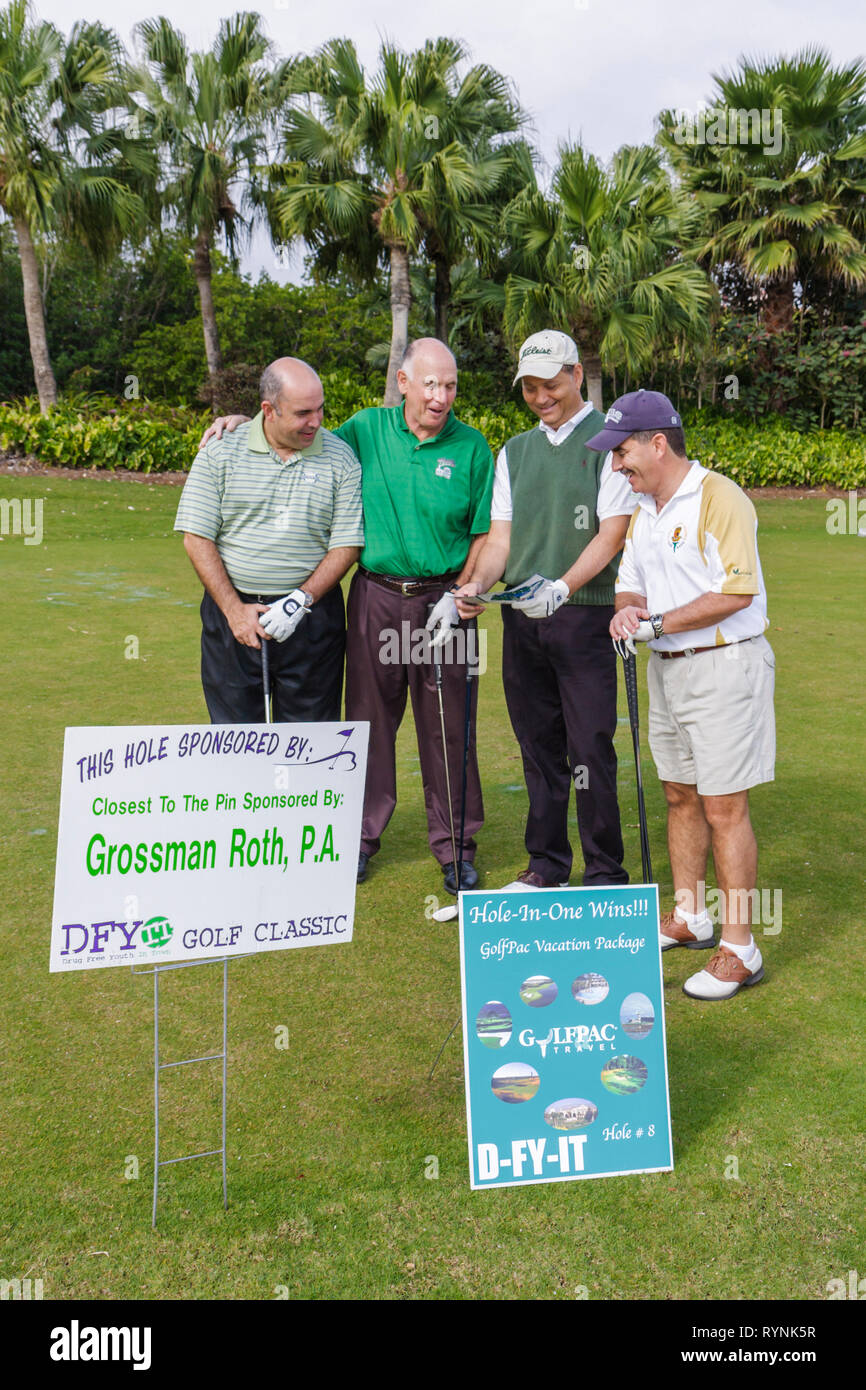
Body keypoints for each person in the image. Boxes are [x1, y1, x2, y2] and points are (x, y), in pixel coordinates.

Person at [199, 339, 494, 896]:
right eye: (430, 384)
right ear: (403, 382)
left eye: (451, 385)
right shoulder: (364, 429)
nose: (441, 397)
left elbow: (483, 533)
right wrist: (243, 422)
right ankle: (356, 840)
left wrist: (463, 593)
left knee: (449, 727)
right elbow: (297, 431)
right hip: (377, 596)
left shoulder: (473, 447)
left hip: (445, 604)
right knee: (366, 725)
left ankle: (455, 849)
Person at [597, 389, 775, 1001]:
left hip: (724, 667)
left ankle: (740, 948)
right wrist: (627, 617)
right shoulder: (644, 509)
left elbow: (737, 592)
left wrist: (659, 624)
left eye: (622, 452)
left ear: (656, 443)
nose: (617, 466)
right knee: (679, 795)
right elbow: (629, 588)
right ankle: (690, 916)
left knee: (725, 807)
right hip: (668, 670)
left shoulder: (720, 497)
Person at [451, 330, 637, 890]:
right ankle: (548, 865)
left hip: (584, 616)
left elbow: (612, 534)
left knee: (589, 748)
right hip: (521, 619)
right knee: (537, 744)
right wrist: (477, 585)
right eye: (530, 387)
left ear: (577, 375)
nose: (540, 396)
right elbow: (500, 540)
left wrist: (563, 585)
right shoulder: (515, 451)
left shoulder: (611, 440)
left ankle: (604, 870)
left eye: (551, 384)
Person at [175, 357, 363, 723]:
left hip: (312, 620)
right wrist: (233, 611)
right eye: (303, 413)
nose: (317, 422)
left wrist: (299, 601)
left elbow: (347, 544)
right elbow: (197, 538)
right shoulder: (220, 451)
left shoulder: (340, 457)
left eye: (321, 409)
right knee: (235, 743)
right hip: (231, 616)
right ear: (269, 410)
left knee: (310, 746)